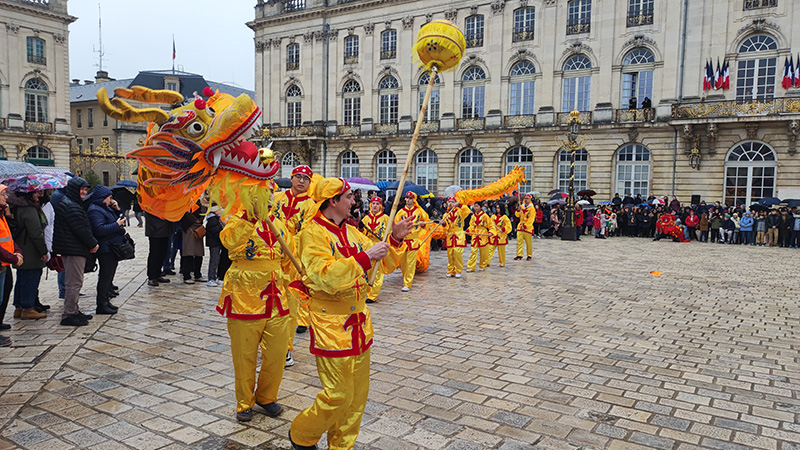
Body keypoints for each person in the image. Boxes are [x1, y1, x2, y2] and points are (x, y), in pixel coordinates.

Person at [289, 177, 413, 450]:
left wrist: (394, 239)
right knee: (338, 394)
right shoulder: (313, 234)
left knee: (357, 397)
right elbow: (324, 276)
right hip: (331, 324)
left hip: (359, 323)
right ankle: (302, 434)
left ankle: (341, 446)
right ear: (332, 201)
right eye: (348, 197)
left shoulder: (353, 232)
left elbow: (384, 265)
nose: (354, 201)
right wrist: (365, 257)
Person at [215, 189, 298, 423]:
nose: (267, 196)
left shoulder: (279, 224)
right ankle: (244, 402)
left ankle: (266, 396)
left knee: (277, 353)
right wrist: (250, 217)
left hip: (276, 297)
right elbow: (229, 242)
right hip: (245, 297)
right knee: (245, 355)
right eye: (260, 193)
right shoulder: (236, 219)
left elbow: (289, 258)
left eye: (269, 192)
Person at [273, 165, 316, 364]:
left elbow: (305, 233)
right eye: (298, 176)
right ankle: (269, 343)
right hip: (271, 257)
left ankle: (285, 348)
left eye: (305, 178)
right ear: (291, 178)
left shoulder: (311, 206)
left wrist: (286, 245)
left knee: (289, 307)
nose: (301, 181)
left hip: (293, 260)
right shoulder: (277, 198)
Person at [53, 177, 98, 327]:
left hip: (73, 248)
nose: (84, 192)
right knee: (74, 283)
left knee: (74, 282)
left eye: (85, 189)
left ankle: (74, 310)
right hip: (73, 249)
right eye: (81, 189)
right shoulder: (71, 206)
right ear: (74, 190)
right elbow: (81, 229)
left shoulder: (71, 203)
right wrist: (92, 244)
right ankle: (69, 314)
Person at [8, 189, 48, 322]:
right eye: (35, 192)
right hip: (30, 249)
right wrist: (43, 251)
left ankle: (19, 307)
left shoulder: (16, 207)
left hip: (21, 247)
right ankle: (27, 308)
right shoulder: (28, 209)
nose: (38, 194)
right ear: (28, 194)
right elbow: (36, 233)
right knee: (30, 278)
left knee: (22, 277)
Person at [87, 185, 125, 315]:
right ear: (102, 198)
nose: (111, 200)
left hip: (112, 246)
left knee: (109, 276)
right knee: (105, 277)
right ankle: (101, 304)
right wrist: (116, 225)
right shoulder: (95, 210)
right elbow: (99, 229)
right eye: (109, 198)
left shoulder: (105, 208)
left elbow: (118, 219)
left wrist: (117, 209)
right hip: (105, 248)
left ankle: (106, 302)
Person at [0, 185, 23, 345]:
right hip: (3, 261)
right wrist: (13, 258)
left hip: (4, 263)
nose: (7, 197)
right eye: (3, 194)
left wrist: (17, 251)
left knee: (4, 293)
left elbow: (9, 236)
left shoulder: (2, 214)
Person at [394, 192, 429, 292]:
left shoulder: (419, 211)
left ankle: (407, 283)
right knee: (403, 262)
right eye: (407, 198)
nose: (408, 200)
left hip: (413, 239)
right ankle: (405, 278)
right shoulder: (400, 212)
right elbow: (395, 225)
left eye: (410, 198)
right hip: (403, 240)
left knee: (411, 262)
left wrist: (423, 224)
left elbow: (427, 221)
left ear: (414, 200)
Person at [360, 197, 388, 303]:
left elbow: (389, 232)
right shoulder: (366, 218)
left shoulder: (385, 218)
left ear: (380, 206)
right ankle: (367, 292)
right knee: (367, 271)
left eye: (377, 203)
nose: (375, 206)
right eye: (373, 203)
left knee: (377, 271)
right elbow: (360, 234)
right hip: (368, 247)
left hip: (379, 246)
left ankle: (373, 295)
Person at [440, 196, 470, 277]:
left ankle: (458, 270)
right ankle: (451, 270)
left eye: (452, 202)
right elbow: (446, 227)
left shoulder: (460, 211)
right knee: (450, 254)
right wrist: (444, 224)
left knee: (457, 253)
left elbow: (467, 211)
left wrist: (459, 205)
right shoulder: (445, 214)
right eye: (449, 202)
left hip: (459, 234)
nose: (450, 203)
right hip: (450, 235)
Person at [179, 202, 207, 284]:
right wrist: (195, 220)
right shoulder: (185, 200)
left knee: (199, 253)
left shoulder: (199, 200)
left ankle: (197, 274)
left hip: (198, 228)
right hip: (188, 228)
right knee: (188, 253)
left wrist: (200, 218)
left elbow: (203, 211)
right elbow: (184, 212)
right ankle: (186, 275)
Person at [145, 212, 173, 286]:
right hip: (155, 230)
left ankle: (158, 274)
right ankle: (152, 277)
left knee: (163, 253)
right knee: (154, 253)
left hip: (166, 229)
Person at [466, 201, 495, 271]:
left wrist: (491, 232)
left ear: (480, 207)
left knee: (483, 251)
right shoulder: (473, 216)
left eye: (477, 206)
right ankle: (471, 267)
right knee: (473, 251)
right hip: (475, 234)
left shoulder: (485, 216)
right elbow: (471, 225)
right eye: (475, 206)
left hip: (483, 234)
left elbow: (491, 225)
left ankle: (482, 265)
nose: (475, 208)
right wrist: (468, 230)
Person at [205, 205, 224, 286]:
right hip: (214, 243)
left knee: (216, 260)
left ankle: (214, 277)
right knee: (214, 260)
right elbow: (216, 231)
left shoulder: (215, 219)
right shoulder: (212, 220)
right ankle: (211, 278)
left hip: (216, 242)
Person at [514, 194, 535, 260]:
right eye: (525, 198)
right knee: (519, 242)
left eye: (527, 198)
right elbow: (517, 215)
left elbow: (531, 219)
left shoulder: (532, 208)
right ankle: (519, 255)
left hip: (528, 228)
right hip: (520, 226)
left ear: (530, 199)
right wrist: (518, 210)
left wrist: (526, 226)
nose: (526, 200)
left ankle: (529, 255)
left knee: (528, 243)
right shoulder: (521, 206)